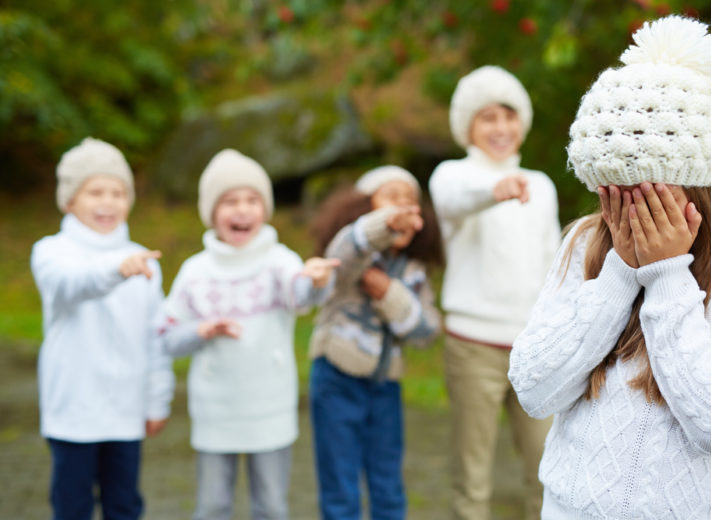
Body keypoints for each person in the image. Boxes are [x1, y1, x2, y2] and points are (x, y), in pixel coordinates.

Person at [509, 15, 711, 519]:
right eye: (613, 193)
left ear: (700, 180)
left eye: (648, 192)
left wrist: (667, 273)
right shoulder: (586, 240)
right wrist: (618, 274)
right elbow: (534, 390)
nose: (627, 215)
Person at [160, 149, 338, 520]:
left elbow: (301, 294)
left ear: (265, 209)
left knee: (271, 506)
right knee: (212, 506)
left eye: (252, 200)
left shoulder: (279, 260)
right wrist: (200, 330)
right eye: (230, 202)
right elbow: (168, 337)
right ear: (212, 213)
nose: (242, 210)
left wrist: (318, 281)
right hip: (215, 411)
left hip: (269, 408)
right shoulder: (196, 271)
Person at [428, 65, 560, 519]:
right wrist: (495, 189)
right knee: (473, 474)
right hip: (473, 347)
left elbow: (554, 265)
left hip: (534, 348)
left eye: (509, 115)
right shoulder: (452, 176)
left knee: (548, 469)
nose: (501, 128)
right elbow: (455, 200)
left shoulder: (541, 187)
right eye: (488, 117)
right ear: (468, 126)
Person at [30, 137, 175, 520]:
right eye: (95, 192)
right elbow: (70, 284)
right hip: (72, 413)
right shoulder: (51, 251)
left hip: (127, 410)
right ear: (70, 200)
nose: (108, 202)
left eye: (118, 192)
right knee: (72, 506)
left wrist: (157, 399)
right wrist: (115, 269)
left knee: (125, 505)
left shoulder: (145, 261)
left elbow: (155, 336)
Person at [308, 166, 443, 520]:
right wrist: (384, 225)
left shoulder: (413, 271)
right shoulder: (351, 254)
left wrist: (391, 294)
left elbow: (427, 330)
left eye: (409, 200)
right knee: (340, 484)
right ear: (364, 208)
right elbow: (346, 250)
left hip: (385, 388)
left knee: (388, 484)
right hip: (336, 379)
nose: (402, 206)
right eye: (390, 198)